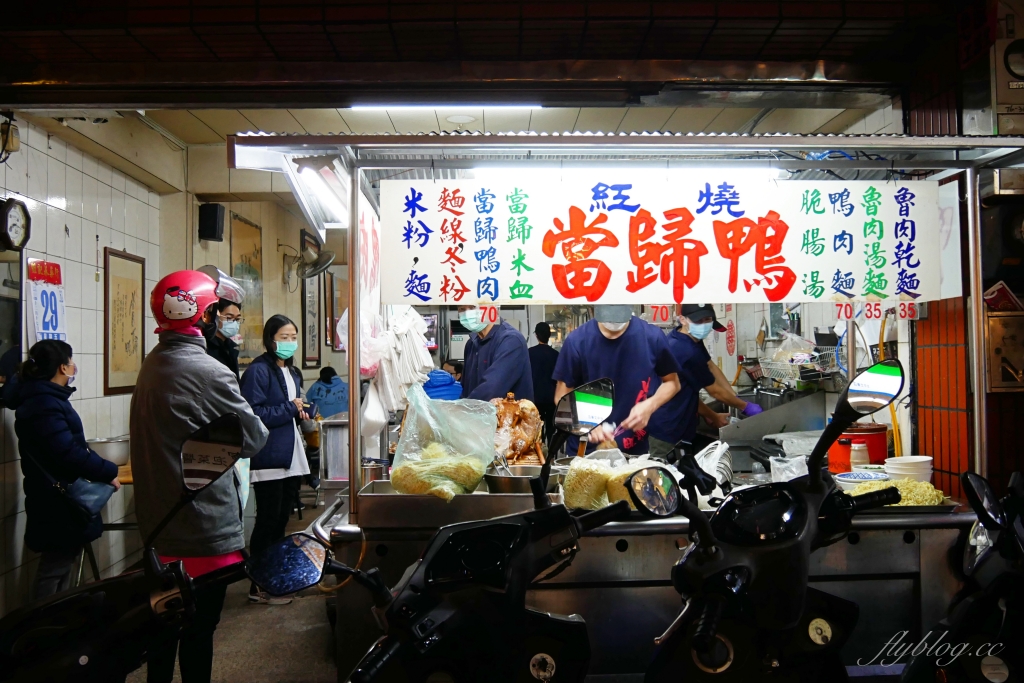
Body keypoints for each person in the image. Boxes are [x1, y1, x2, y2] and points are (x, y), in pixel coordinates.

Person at [131, 270, 268, 683]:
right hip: (201, 527)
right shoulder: (209, 371)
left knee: (163, 633)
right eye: (217, 313)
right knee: (198, 631)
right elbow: (254, 438)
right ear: (205, 316)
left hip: (159, 525)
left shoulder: (151, 366)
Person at [6, 340, 120, 599]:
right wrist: (107, 470)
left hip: (55, 494)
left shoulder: (42, 398)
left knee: (62, 564)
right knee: (54, 568)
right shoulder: (44, 403)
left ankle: (58, 622)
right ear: (62, 368)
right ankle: (41, 627)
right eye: (70, 362)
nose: (73, 366)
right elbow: (67, 452)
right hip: (56, 498)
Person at [239, 314, 312, 605]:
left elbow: (295, 405)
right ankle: (258, 584)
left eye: (293, 337)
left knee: (283, 518)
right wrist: (289, 409)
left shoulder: (293, 372)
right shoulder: (258, 371)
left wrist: (304, 409)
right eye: (284, 337)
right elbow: (253, 415)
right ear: (270, 339)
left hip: (291, 454)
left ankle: (277, 579)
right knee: (268, 519)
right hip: (269, 455)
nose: (290, 342)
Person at [553, 305, 681, 456]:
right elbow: (561, 396)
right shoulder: (577, 341)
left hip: (634, 452)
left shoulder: (652, 337)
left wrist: (650, 405)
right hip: (585, 451)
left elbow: (673, 383)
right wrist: (585, 422)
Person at [647, 304, 762, 460]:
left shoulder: (685, 337)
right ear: (683, 319)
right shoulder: (685, 350)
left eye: (707, 319)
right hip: (667, 430)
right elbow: (714, 391)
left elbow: (709, 367)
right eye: (698, 321)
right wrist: (745, 406)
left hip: (678, 424)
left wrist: (732, 396)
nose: (703, 325)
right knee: (663, 477)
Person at [458, 305, 534, 401]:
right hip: (476, 414)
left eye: (473, 308)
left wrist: (462, 409)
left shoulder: (511, 340)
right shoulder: (471, 344)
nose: (467, 314)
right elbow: (466, 389)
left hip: (508, 415)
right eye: (462, 309)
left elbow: (492, 389)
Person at [528, 322, 560, 437]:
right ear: (549, 335)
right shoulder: (556, 355)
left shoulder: (529, 353)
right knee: (551, 429)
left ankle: (539, 452)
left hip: (535, 398)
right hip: (552, 398)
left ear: (536, 335)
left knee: (536, 430)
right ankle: (551, 453)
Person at [201, 298, 243, 377]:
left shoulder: (231, 348)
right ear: (215, 317)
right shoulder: (204, 347)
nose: (234, 323)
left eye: (237, 319)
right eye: (229, 318)